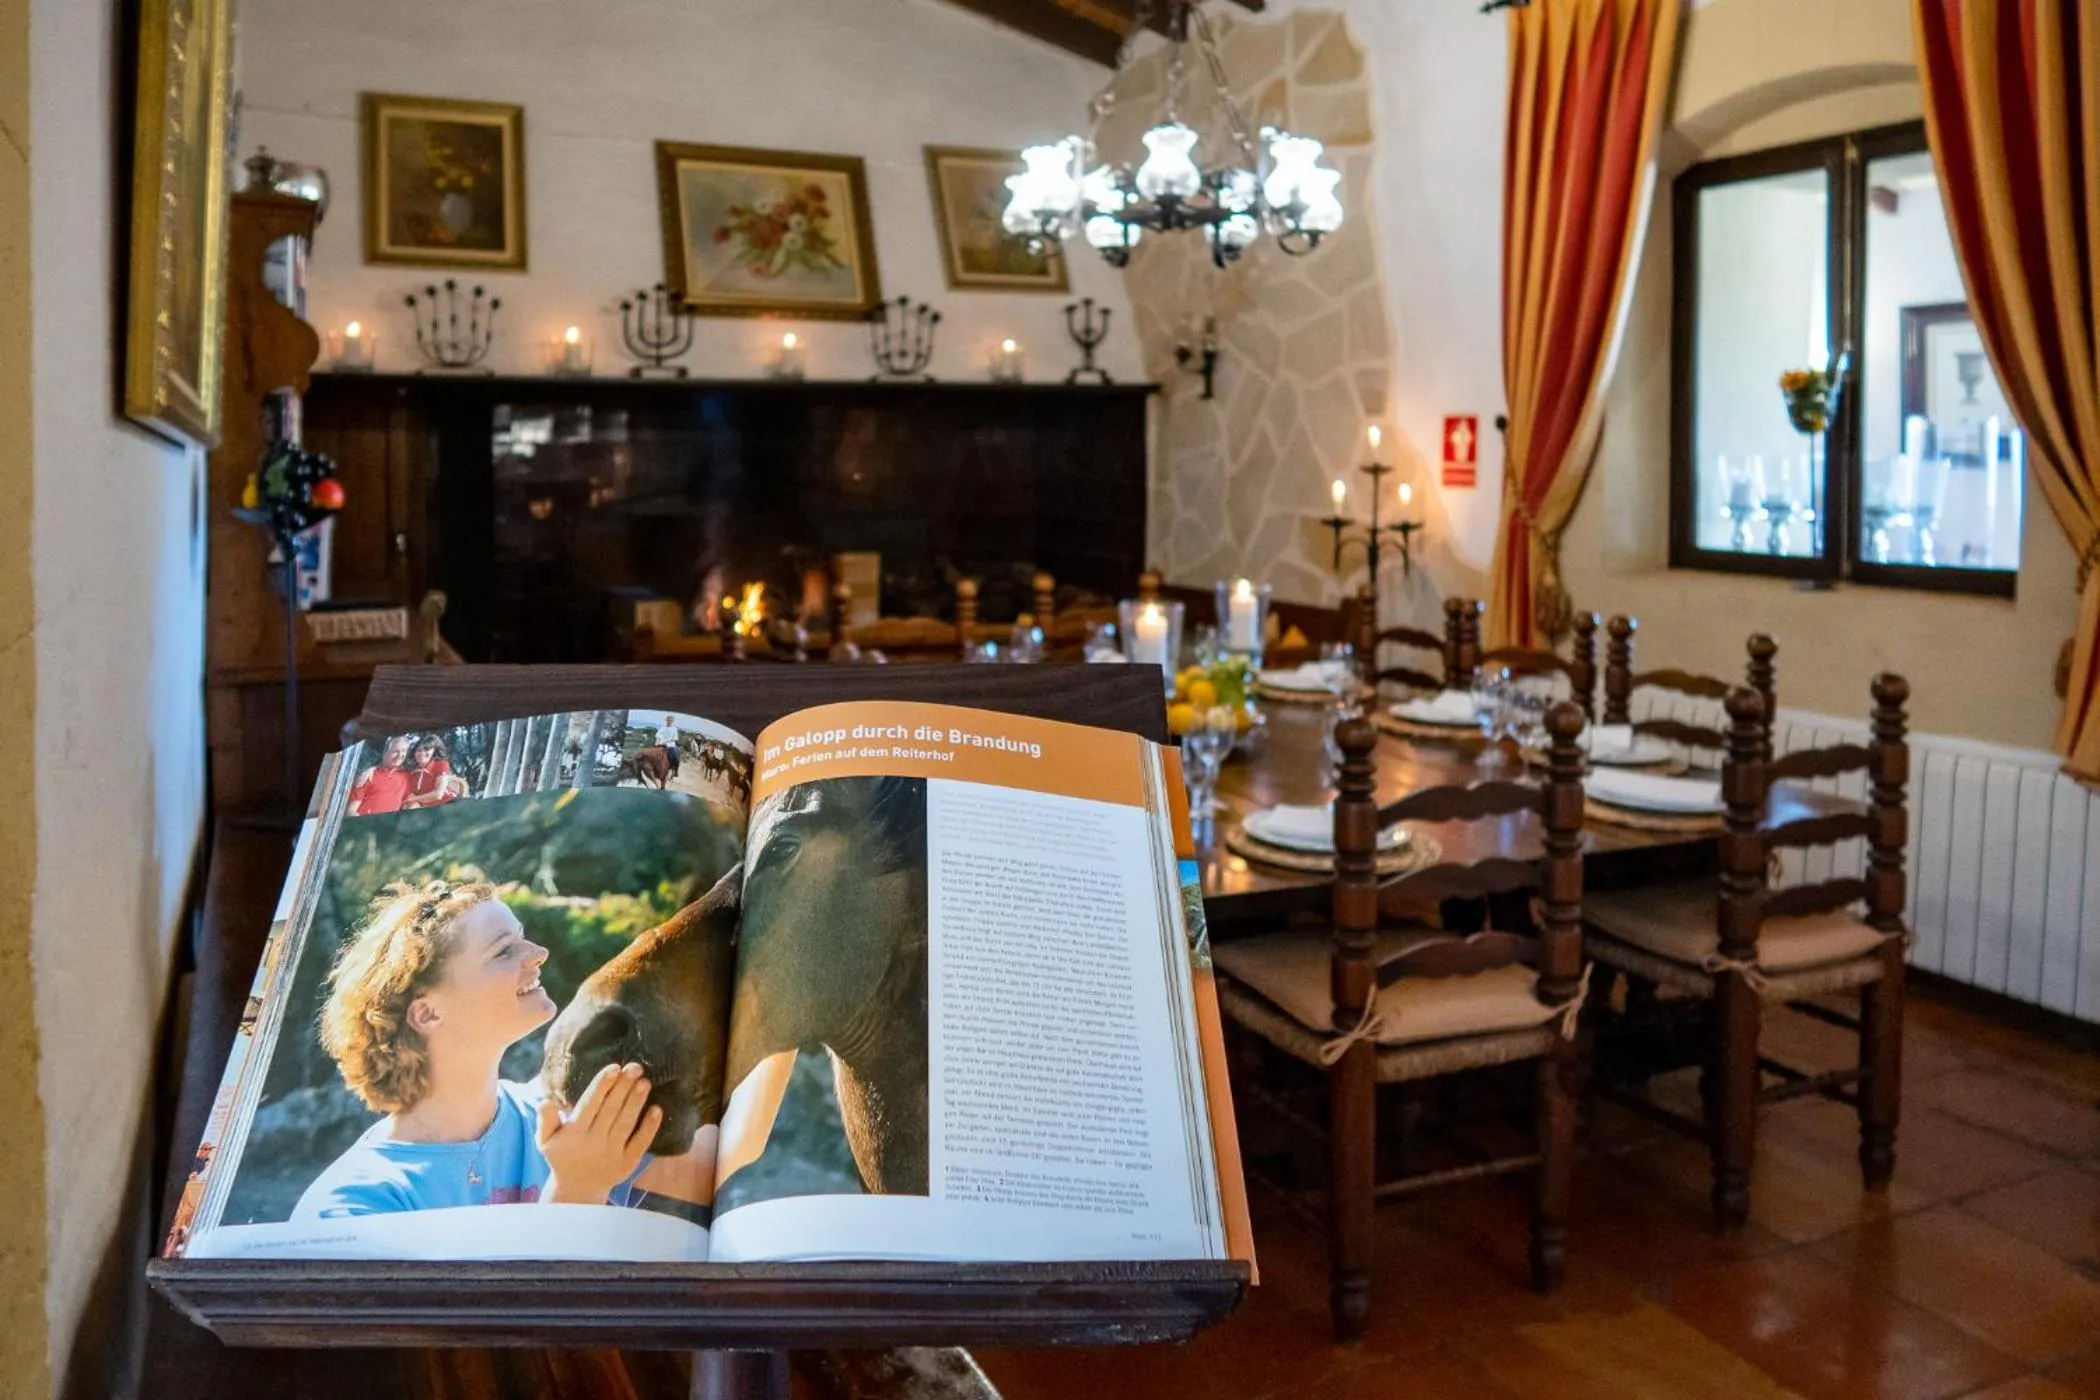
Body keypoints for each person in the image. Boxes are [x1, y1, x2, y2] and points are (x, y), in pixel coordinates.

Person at [294, 880, 711, 1219]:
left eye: (523, 939)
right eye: (505, 950)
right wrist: (577, 1188)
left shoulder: (553, 1114)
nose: (540, 954)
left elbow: (721, 1161)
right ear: (428, 1014)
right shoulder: (355, 1205)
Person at [348, 736, 414, 817]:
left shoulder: (407, 777)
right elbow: (351, 811)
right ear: (385, 752)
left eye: (403, 751)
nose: (400, 755)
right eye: (395, 751)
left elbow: (411, 801)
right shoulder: (368, 775)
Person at [402, 733, 463, 809]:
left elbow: (438, 795)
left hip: (448, 802)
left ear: (434, 751)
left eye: (426, 749)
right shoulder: (410, 769)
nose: (422, 753)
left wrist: (411, 799)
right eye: (418, 750)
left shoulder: (440, 764)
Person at [655, 714, 682, 779]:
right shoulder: (662, 727)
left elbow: (675, 738)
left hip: (670, 745)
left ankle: (675, 771)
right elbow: (657, 735)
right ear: (666, 720)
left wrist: (667, 741)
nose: (669, 721)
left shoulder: (674, 729)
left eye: (671, 720)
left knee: (675, 757)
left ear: (672, 721)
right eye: (668, 720)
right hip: (660, 744)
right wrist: (658, 742)